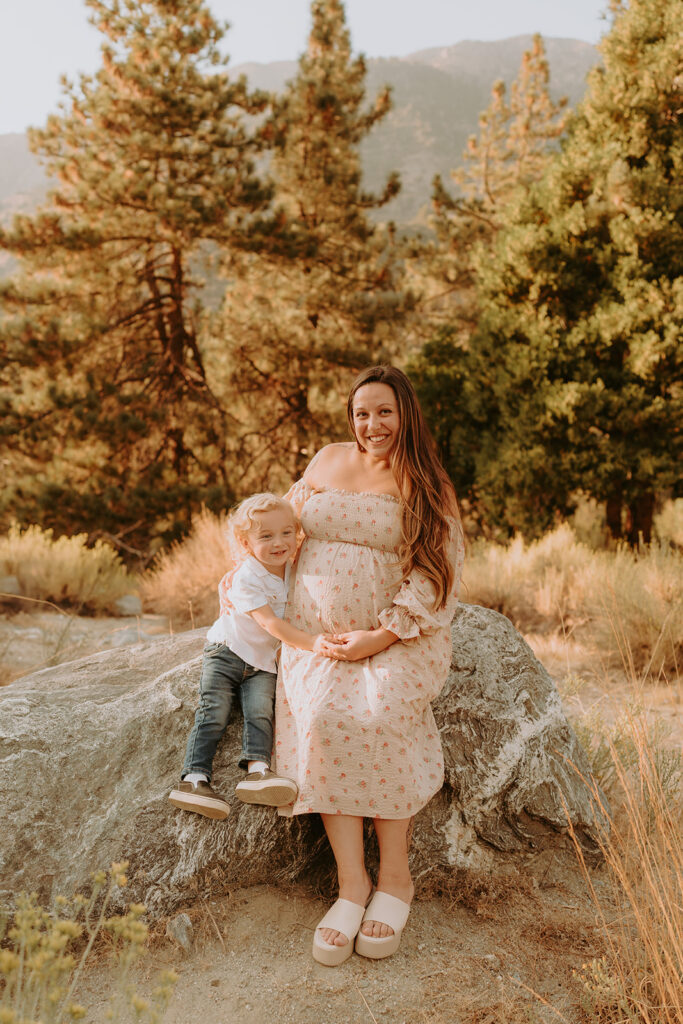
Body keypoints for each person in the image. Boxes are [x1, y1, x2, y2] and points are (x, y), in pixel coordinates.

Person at [274, 365, 465, 966]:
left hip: (398, 635)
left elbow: (439, 574)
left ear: (405, 413)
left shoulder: (426, 483)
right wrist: (253, 584)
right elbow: (275, 525)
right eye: (361, 413)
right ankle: (353, 886)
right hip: (320, 639)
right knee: (326, 717)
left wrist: (379, 637)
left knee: (379, 715)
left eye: (384, 411)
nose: (371, 425)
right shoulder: (326, 461)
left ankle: (397, 881)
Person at [169, 493, 336, 820]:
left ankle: (258, 772)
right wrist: (313, 643)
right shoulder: (246, 578)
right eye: (266, 536)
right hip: (227, 652)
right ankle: (194, 778)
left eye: (287, 532)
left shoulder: (292, 569)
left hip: (262, 663)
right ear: (245, 543)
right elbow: (271, 623)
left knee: (261, 712)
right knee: (214, 711)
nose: (279, 542)